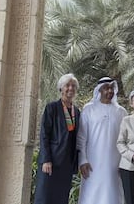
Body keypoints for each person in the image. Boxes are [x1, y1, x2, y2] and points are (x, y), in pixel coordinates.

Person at [77, 77, 128, 204]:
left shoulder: (121, 111)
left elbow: (127, 139)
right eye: (106, 88)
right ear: (99, 90)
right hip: (92, 163)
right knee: (92, 194)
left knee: (113, 193)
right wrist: (82, 160)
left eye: (111, 88)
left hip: (115, 163)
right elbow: (81, 137)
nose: (109, 91)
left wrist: (125, 162)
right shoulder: (89, 109)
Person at [34, 73, 80, 204]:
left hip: (67, 163)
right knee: (45, 196)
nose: (70, 88)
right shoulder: (52, 108)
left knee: (61, 197)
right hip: (52, 161)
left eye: (73, 86)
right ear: (61, 88)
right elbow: (44, 135)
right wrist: (46, 159)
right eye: (67, 85)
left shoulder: (76, 111)